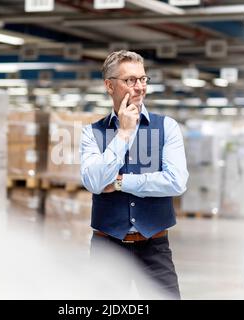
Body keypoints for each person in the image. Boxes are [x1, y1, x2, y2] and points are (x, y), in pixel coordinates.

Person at [80, 50, 189, 299]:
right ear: (109, 85)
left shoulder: (167, 127)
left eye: (143, 79)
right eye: (130, 80)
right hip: (107, 247)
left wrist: (120, 182)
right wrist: (124, 135)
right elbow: (94, 182)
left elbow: (176, 181)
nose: (139, 87)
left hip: (154, 245)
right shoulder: (91, 133)